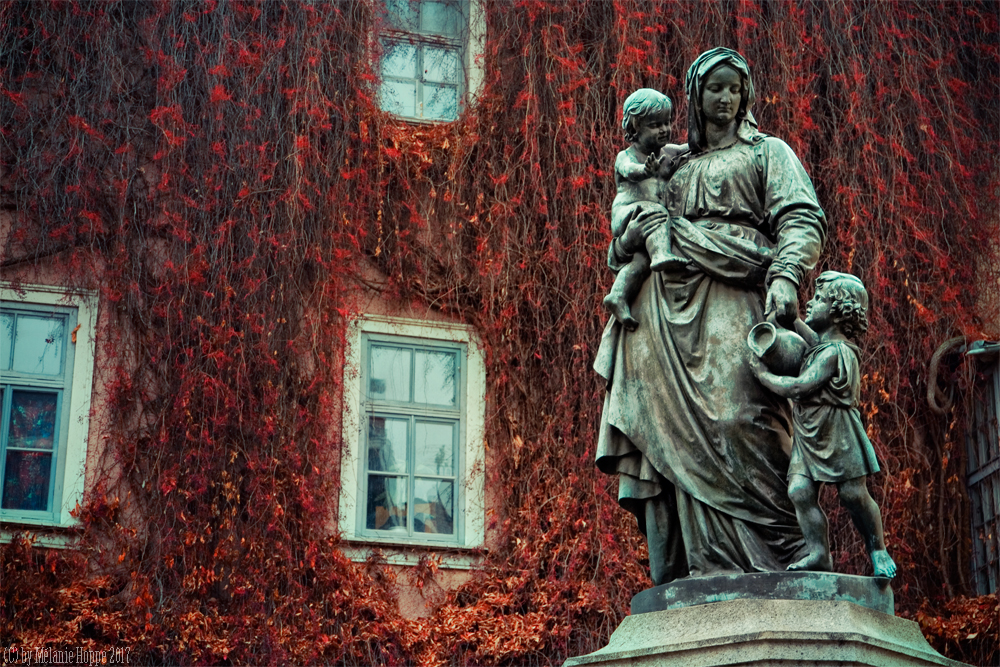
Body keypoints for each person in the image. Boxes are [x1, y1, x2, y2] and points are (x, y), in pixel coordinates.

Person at [594, 47, 827, 585]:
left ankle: (784, 561)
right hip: (663, 319)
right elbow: (628, 237)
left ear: (746, 95)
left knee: (744, 420)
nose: (724, 98)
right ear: (695, 97)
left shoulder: (769, 153)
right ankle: (702, 571)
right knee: (668, 443)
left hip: (737, 296)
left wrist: (787, 275)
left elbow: (802, 220)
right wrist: (635, 231)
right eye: (713, 88)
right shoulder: (674, 166)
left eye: (733, 88)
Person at [750, 272, 896, 579]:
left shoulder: (836, 352)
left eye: (818, 300)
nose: (811, 303)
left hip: (838, 432)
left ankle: (878, 549)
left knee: (853, 495)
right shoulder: (823, 345)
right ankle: (818, 554)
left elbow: (801, 386)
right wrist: (792, 321)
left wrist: (764, 376)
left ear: (837, 312)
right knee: (800, 491)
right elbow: (812, 340)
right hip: (809, 431)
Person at [603, 88, 687, 330]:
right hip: (628, 213)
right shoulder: (626, 156)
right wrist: (645, 171)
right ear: (635, 129)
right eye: (654, 125)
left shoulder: (668, 153)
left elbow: (691, 148)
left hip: (649, 222)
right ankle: (662, 254)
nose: (663, 129)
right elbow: (629, 170)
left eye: (666, 123)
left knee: (640, 263)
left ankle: (618, 297)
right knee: (656, 213)